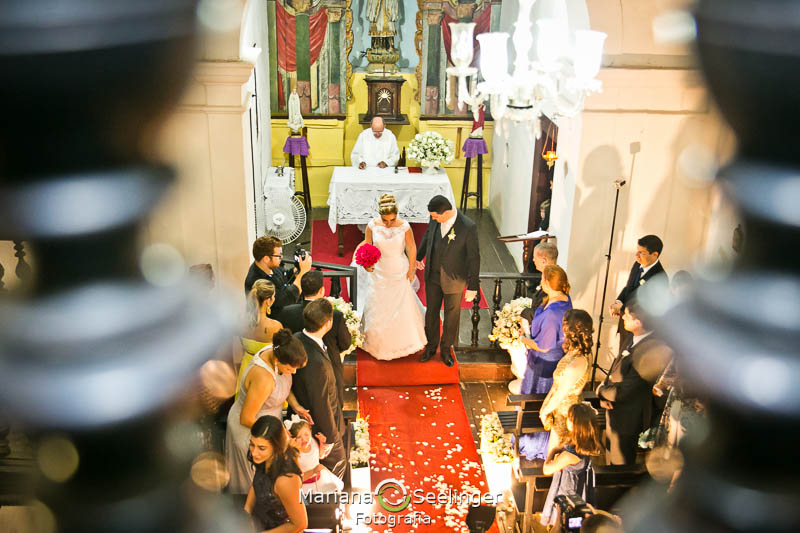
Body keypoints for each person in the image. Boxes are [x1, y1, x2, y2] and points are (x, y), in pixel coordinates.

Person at [226, 329, 309, 495]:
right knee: (255, 486)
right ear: (278, 361)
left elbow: (282, 385)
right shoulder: (263, 378)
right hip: (252, 431)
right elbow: (246, 418)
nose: (294, 372)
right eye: (291, 368)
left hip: (268, 424)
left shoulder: (277, 350)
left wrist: (296, 405)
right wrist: (278, 434)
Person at [596, 301, 673, 465]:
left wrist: (601, 391)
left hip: (628, 418)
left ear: (638, 322)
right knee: (611, 461)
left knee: (619, 467)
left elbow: (626, 390)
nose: (622, 316)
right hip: (614, 408)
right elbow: (615, 368)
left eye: (627, 314)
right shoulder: (633, 337)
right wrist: (604, 394)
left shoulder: (651, 350)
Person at [355, 193, 427, 360]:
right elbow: (368, 245)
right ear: (380, 215)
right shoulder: (372, 225)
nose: (388, 224)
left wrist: (411, 270)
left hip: (399, 271)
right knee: (377, 304)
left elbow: (411, 247)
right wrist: (367, 262)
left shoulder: (404, 227)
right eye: (385, 220)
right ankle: (376, 342)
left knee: (402, 305)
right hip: (379, 271)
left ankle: (405, 341)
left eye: (392, 220)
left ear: (397, 215)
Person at [416, 195, 480, 367]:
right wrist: (418, 256)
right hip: (433, 276)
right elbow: (427, 238)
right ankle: (430, 347)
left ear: (445, 213)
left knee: (452, 315)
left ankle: (446, 349)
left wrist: (473, 286)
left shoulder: (467, 227)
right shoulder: (434, 219)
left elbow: (474, 258)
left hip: (454, 279)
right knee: (431, 313)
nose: (433, 219)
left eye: (435, 216)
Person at [291, 299, 349, 485]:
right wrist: (330, 438)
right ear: (328, 324)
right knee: (336, 468)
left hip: (306, 419)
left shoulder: (298, 337)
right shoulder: (318, 365)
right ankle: (330, 507)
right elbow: (321, 403)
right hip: (321, 428)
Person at [517, 265, 572, 459]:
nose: (540, 281)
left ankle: (534, 443)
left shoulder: (552, 314)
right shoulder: (562, 299)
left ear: (548, 283)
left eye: (542, 279)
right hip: (548, 360)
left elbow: (544, 346)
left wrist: (524, 339)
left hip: (543, 365)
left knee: (535, 401)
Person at [278, 270, 352, 405]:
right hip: (329, 370)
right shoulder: (335, 315)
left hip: (298, 372)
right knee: (333, 408)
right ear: (322, 291)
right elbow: (345, 343)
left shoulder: (286, 313)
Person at [540, 403, 604, 531]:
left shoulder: (569, 455)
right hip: (578, 489)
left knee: (560, 525)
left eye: (569, 418)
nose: (567, 420)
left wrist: (553, 451)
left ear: (575, 424)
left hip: (567, 494)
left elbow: (546, 470)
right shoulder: (587, 444)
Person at [539, 310, 594, 455]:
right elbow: (556, 385)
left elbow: (561, 394)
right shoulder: (576, 352)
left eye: (564, 327)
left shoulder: (578, 362)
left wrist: (545, 411)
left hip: (566, 414)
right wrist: (545, 404)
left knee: (555, 454)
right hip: (558, 408)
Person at [244, 415, 308, 533]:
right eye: (252, 444)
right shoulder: (265, 460)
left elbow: (300, 524)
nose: (254, 453)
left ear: (276, 446)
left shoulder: (286, 479)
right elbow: (257, 484)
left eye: (261, 448)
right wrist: (245, 513)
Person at [608, 235, 668, 351]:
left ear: (655, 254)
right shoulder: (637, 264)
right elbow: (628, 287)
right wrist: (618, 302)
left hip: (639, 329)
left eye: (642, 252)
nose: (636, 255)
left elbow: (647, 308)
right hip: (626, 323)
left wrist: (621, 308)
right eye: (637, 251)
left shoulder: (660, 278)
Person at [235, 280, 283, 400]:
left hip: (245, 370)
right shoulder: (276, 326)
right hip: (266, 372)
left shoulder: (240, 321)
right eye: (274, 296)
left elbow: (237, 353)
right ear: (268, 301)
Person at [244, 236, 313, 318]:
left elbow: (284, 275)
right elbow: (285, 298)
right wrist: (303, 273)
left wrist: (296, 271)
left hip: (283, 307)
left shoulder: (270, 266)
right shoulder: (257, 282)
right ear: (266, 259)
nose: (281, 258)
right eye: (278, 256)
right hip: (272, 318)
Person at [287, 418, 344, 494]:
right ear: (293, 439)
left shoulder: (312, 442)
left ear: (310, 431)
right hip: (305, 485)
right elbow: (297, 478)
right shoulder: (294, 453)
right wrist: (313, 471)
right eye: (299, 437)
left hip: (320, 479)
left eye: (306, 434)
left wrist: (322, 444)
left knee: (334, 491)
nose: (304, 439)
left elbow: (320, 456)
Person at [529, 241, 559, 312]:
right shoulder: (548, 274)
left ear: (543, 261)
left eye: (534, 257)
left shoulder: (552, 280)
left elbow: (543, 310)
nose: (533, 260)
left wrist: (525, 312)